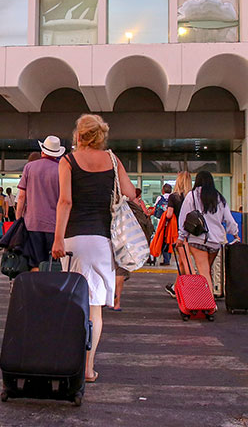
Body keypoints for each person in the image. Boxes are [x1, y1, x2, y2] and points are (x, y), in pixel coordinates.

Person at [52, 114, 138, 383]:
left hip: (74, 240)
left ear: (78, 135)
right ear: (100, 136)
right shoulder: (112, 160)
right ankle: (88, 369)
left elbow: (65, 201)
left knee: (72, 304)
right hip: (102, 241)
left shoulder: (67, 161)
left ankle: (69, 362)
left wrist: (56, 239)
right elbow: (130, 192)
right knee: (95, 308)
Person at [177, 171, 239, 292]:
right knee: (207, 271)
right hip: (215, 241)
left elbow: (184, 218)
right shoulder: (219, 198)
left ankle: (208, 302)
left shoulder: (192, 196)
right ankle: (205, 299)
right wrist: (235, 233)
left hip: (197, 239)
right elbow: (228, 219)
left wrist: (181, 236)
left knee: (203, 272)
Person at [15, 135, 64, 269]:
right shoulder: (61, 169)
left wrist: (18, 218)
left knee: (35, 263)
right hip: (55, 224)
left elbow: (21, 197)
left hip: (32, 223)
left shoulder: (29, 167)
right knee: (53, 264)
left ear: (43, 151)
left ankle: (36, 289)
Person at [164, 171, 192, 298]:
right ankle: (176, 287)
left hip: (180, 232)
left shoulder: (174, 197)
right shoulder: (192, 196)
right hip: (193, 231)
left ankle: (192, 288)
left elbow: (169, 214)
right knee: (182, 261)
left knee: (185, 261)